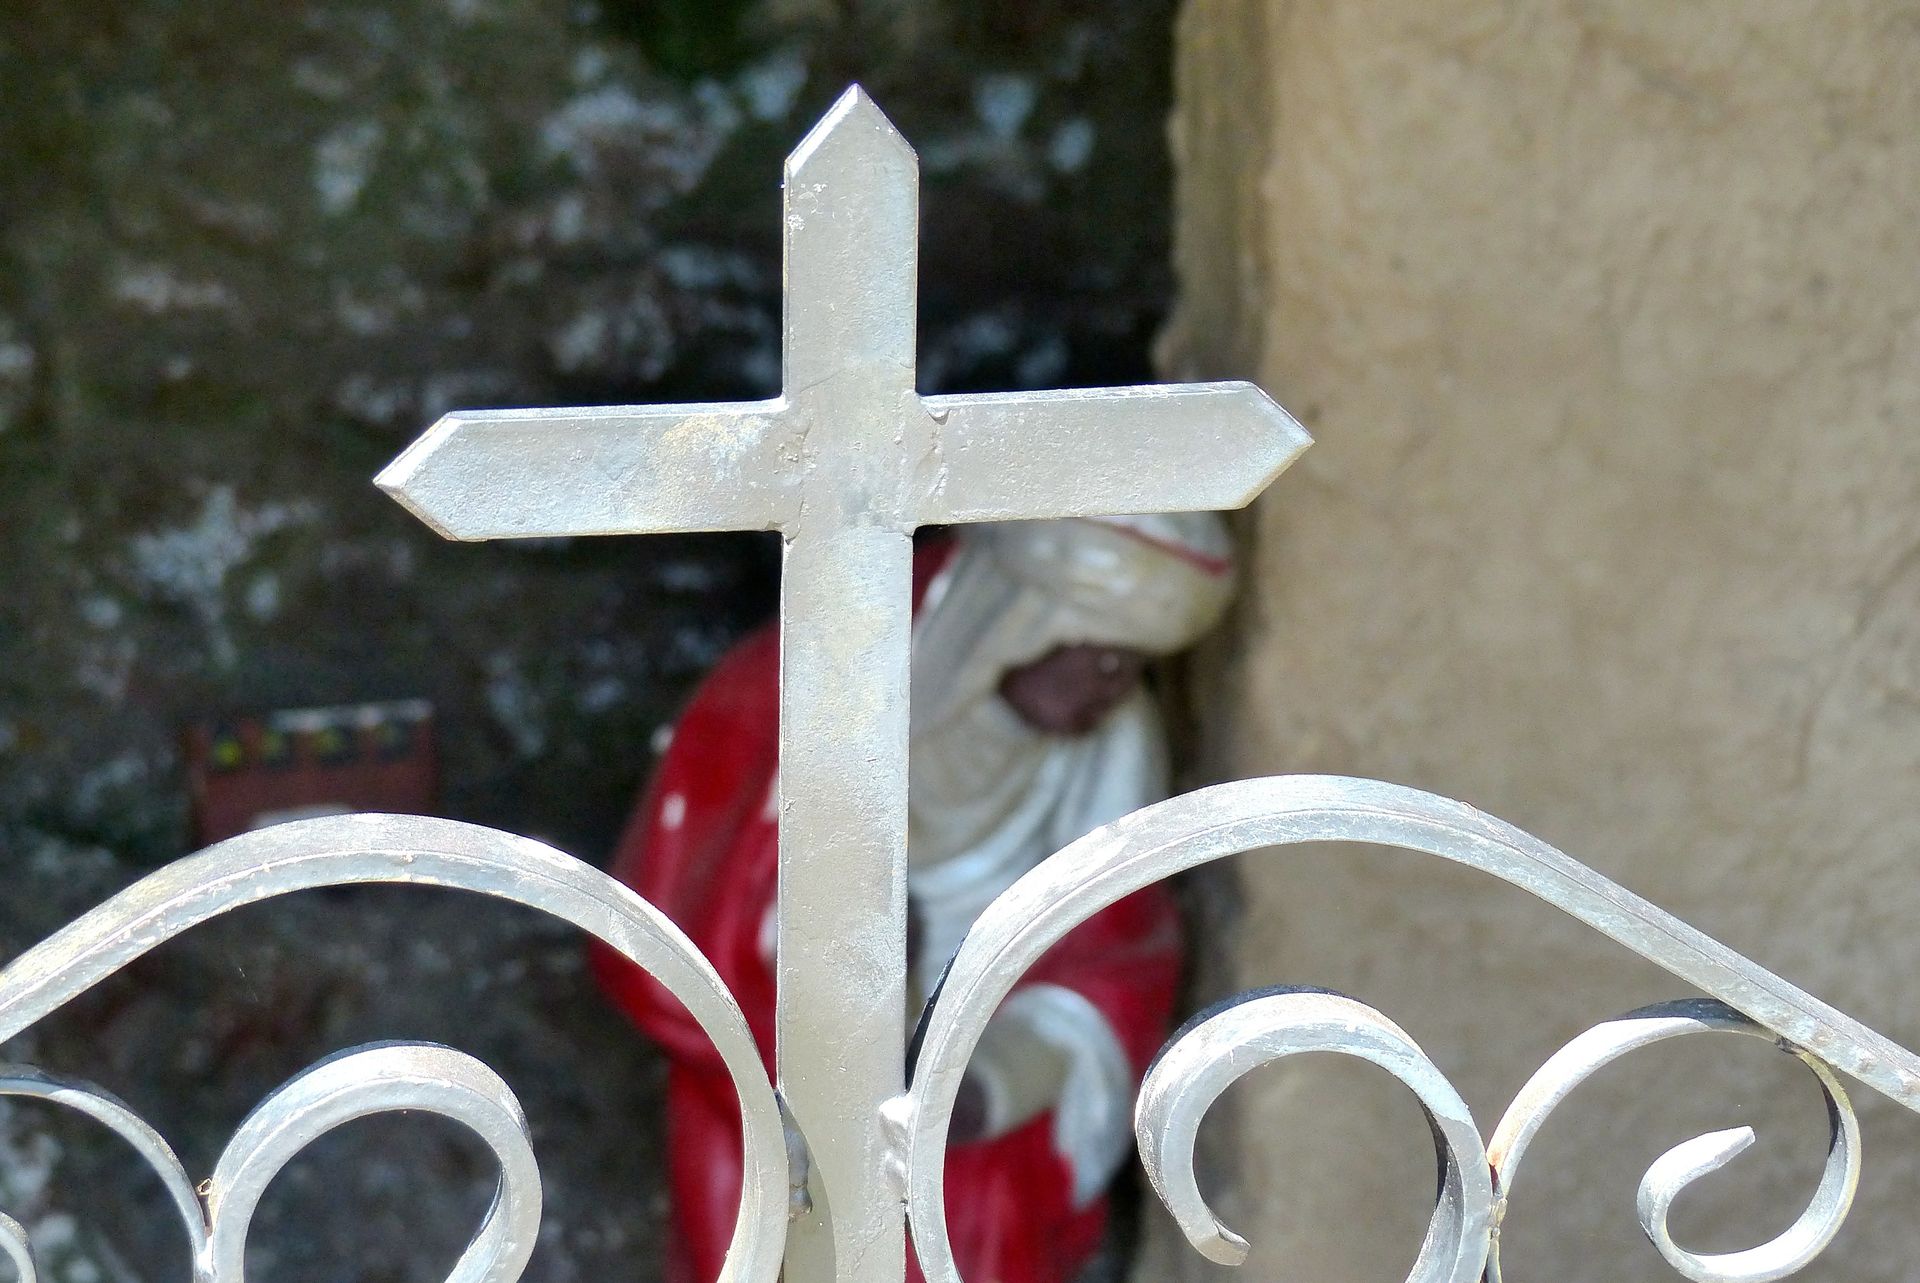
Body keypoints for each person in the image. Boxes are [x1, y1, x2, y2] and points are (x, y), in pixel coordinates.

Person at [592, 513, 1238, 1283]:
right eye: (1097, 653)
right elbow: (675, 926)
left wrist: (997, 1079)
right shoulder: (802, 688)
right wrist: (836, 982)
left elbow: (1116, 949)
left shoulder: (1111, 746)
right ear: (1006, 617)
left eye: (1132, 664)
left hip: (969, 1103)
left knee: (964, 1208)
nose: (1113, 688)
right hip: (777, 1081)